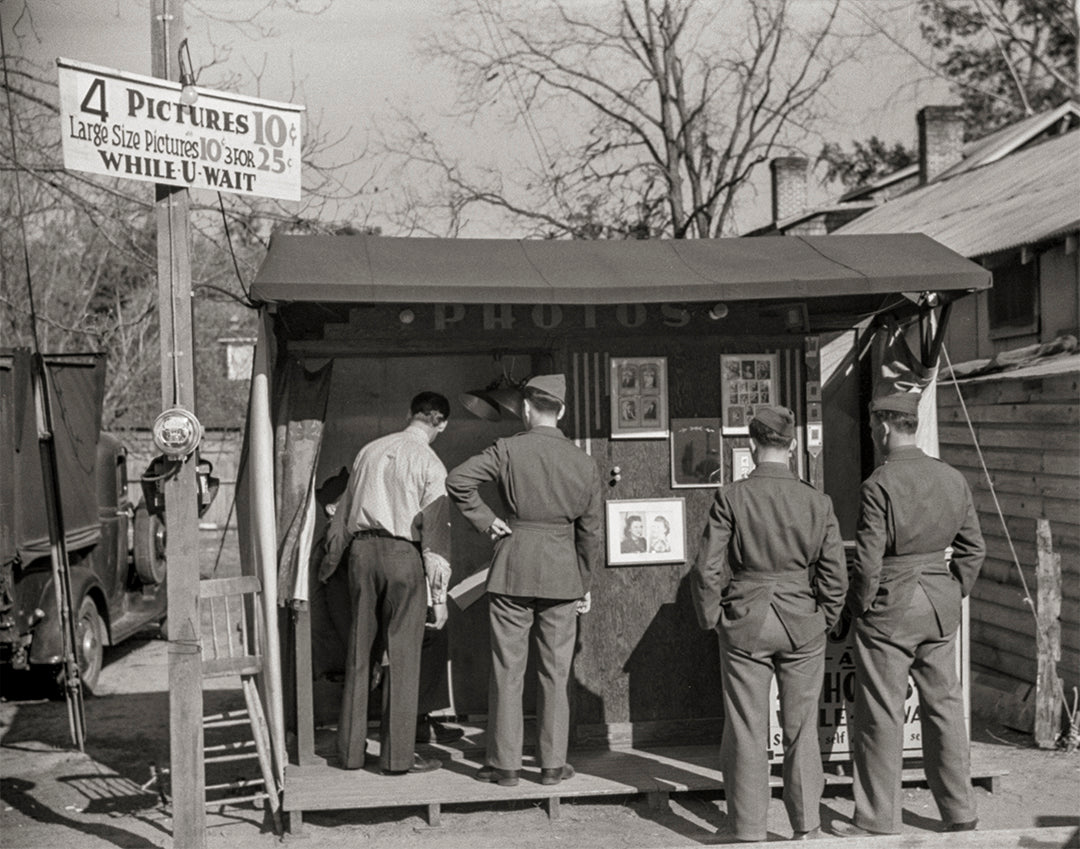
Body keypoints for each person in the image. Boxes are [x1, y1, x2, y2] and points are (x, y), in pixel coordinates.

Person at [691, 405, 847, 843]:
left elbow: (707, 568)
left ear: (751, 446)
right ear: (793, 446)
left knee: (745, 727)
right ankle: (807, 827)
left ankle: (748, 829)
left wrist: (712, 617)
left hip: (745, 621)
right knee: (801, 727)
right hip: (802, 624)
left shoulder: (731, 496)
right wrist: (824, 619)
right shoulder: (817, 501)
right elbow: (835, 575)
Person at [832, 392, 985, 838]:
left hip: (891, 607)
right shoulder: (952, 478)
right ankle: (961, 812)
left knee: (881, 712)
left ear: (882, 428)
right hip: (939, 603)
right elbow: (974, 548)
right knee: (945, 708)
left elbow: (868, 563)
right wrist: (954, 589)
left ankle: (878, 819)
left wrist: (858, 606)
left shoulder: (879, 484)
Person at [446, 374, 602, 788]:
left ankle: (506, 767)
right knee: (556, 672)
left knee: (507, 671)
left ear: (528, 410)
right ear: (562, 411)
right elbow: (590, 533)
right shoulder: (583, 463)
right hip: (562, 574)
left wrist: (488, 521)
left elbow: (458, 480)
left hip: (513, 567)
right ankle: (552, 765)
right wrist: (583, 583)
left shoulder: (509, 449)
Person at [321, 392, 453, 775]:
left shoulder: (369, 451)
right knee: (403, 657)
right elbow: (435, 538)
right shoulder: (431, 463)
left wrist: (329, 565)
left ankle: (349, 753)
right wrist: (439, 597)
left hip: (361, 555)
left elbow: (342, 516)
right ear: (442, 424)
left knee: (359, 651)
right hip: (403, 557)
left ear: (408, 412)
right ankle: (397, 758)